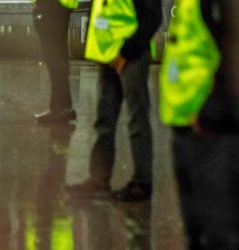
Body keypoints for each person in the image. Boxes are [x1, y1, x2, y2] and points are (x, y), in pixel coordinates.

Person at [159, 0, 239, 249]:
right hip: (189, 124)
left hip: (218, 129)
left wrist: (209, 114)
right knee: (199, 233)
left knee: (220, 236)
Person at [65, 0, 162, 201]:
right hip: (107, 55)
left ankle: (142, 182)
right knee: (104, 120)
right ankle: (98, 180)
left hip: (130, 56)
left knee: (137, 118)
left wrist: (125, 53)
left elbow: (152, 18)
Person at [32, 0, 78, 125]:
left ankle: (59, 108)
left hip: (50, 7)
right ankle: (64, 107)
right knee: (59, 56)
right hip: (60, 7)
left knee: (54, 59)